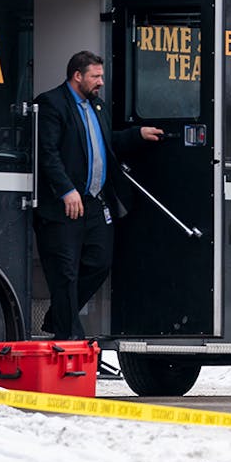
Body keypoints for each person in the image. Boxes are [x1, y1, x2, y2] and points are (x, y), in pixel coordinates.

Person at [34, 50, 164, 340]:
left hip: (94, 202)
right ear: (77, 75)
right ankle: (69, 337)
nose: (101, 82)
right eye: (96, 76)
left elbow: (107, 142)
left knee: (100, 262)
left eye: (101, 76)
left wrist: (137, 134)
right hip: (63, 205)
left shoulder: (97, 107)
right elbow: (47, 152)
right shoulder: (52, 104)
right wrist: (66, 189)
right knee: (64, 272)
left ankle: (59, 318)